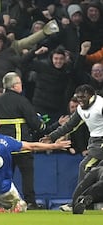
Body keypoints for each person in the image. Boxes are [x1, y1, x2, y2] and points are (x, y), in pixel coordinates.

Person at [41, 84, 103, 212]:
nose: (80, 100)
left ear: (91, 96)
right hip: (94, 142)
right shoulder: (80, 109)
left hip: (100, 142)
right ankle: (84, 201)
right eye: (78, 97)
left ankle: (78, 200)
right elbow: (69, 126)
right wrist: (52, 137)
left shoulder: (100, 105)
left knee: (85, 166)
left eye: (83, 97)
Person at [0, 72, 48, 210]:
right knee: (27, 174)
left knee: (4, 175)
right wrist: (43, 126)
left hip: (2, 146)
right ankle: (30, 202)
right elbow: (34, 122)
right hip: (21, 144)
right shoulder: (22, 100)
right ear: (15, 85)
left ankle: (1, 202)